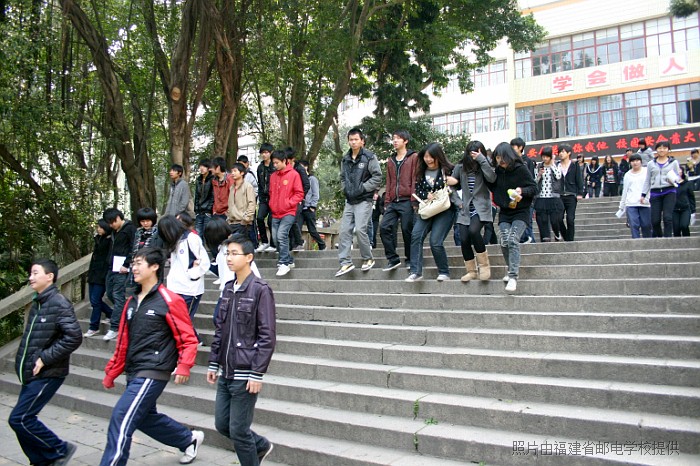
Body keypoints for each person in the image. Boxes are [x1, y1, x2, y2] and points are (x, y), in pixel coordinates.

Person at [100, 247, 203, 466]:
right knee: (144, 418)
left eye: (139, 263)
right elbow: (123, 341)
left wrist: (184, 365)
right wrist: (112, 371)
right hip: (134, 369)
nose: (134, 268)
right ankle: (187, 439)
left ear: (155, 266)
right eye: (133, 263)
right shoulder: (131, 302)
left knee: (121, 417)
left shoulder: (169, 300)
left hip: (154, 369)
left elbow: (188, 338)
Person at [207, 236, 276, 466]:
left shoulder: (260, 289)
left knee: (238, 430)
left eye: (234, 253)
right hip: (226, 370)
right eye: (227, 253)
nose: (229, 258)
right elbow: (221, 329)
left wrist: (257, 373)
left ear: (249, 257)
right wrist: (214, 362)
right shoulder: (228, 288)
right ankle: (261, 445)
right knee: (222, 425)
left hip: (245, 373)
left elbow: (267, 335)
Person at [9, 259, 83, 466]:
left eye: (35, 273)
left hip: (49, 373)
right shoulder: (39, 302)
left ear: (49, 277)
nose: (30, 278)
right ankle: (41, 461)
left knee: (19, 419)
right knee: (22, 420)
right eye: (30, 273)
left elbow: (74, 337)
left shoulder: (59, 303)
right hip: (31, 372)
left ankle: (60, 449)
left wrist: (44, 358)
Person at [487, 142, 538, 293]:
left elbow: (534, 188)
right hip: (505, 211)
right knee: (504, 240)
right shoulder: (498, 171)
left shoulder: (520, 168)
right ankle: (511, 269)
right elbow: (493, 187)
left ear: (510, 156)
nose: (501, 161)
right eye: (497, 158)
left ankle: (513, 277)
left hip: (521, 212)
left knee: (513, 239)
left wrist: (521, 190)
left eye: (503, 158)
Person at [406, 143, 459, 282]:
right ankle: (415, 272)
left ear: (438, 156)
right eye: (425, 157)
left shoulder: (448, 170)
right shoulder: (421, 171)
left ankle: (444, 272)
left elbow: (459, 185)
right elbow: (418, 190)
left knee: (435, 241)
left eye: (431, 157)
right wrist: (426, 195)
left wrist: (453, 181)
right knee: (416, 235)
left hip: (445, 209)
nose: (428, 160)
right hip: (428, 209)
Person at [446, 140, 496, 282]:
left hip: (481, 207)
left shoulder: (485, 165)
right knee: (463, 238)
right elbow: (451, 185)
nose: (474, 156)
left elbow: (492, 178)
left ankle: (484, 266)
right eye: (472, 153)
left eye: (477, 153)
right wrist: (458, 202)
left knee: (474, 231)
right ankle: (471, 271)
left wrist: (482, 159)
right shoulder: (460, 167)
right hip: (465, 208)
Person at [336, 128, 382, 277]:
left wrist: (363, 188)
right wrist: (345, 188)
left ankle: (368, 258)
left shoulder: (369, 157)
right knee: (344, 230)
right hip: (350, 200)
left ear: (362, 141)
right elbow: (343, 177)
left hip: (364, 199)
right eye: (351, 140)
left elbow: (377, 177)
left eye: (356, 139)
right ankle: (345, 262)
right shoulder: (345, 159)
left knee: (361, 229)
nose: (353, 142)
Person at [158, 215, 210, 344]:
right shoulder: (176, 241)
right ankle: (194, 341)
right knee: (179, 318)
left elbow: (204, 262)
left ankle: (191, 342)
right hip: (175, 287)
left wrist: (192, 274)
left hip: (190, 289)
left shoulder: (191, 238)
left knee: (184, 319)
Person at [380, 129, 418, 271]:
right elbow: (389, 182)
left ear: (405, 141)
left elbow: (415, 178)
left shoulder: (413, 157)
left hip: (407, 199)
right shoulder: (391, 160)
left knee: (407, 229)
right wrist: (387, 201)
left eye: (398, 138)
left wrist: (414, 199)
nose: (395, 141)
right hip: (393, 201)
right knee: (384, 227)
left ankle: (410, 259)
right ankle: (393, 259)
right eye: (394, 138)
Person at [269, 150, 305, 276]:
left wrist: (288, 203)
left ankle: (283, 263)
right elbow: (271, 192)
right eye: (273, 163)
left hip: (288, 211)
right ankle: (289, 260)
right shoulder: (273, 176)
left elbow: (299, 193)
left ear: (284, 161)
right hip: (275, 212)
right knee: (275, 239)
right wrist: (272, 204)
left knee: (281, 235)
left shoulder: (294, 174)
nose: (275, 165)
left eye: (277, 163)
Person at [103, 207, 137, 341]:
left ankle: (115, 327)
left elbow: (133, 248)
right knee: (110, 293)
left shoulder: (130, 229)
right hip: (112, 266)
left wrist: (127, 264)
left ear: (118, 218)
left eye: (112, 222)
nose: (111, 225)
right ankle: (126, 314)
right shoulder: (113, 231)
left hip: (122, 268)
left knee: (118, 295)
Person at [641, 141, 681, 238]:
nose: (662, 150)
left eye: (664, 148)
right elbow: (647, 180)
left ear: (668, 150)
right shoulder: (651, 164)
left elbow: (678, 178)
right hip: (655, 193)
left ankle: (667, 239)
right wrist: (643, 194)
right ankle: (660, 238)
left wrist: (674, 179)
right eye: (659, 148)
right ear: (656, 150)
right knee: (655, 221)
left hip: (669, 191)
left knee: (667, 217)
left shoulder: (673, 162)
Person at [85, 219, 113, 337]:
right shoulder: (98, 239)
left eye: (101, 227)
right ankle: (110, 313)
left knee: (95, 300)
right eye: (98, 227)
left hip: (102, 275)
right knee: (93, 300)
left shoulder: (110, 241)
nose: (98, 229)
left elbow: (108, 259)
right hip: (93, 273)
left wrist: (105, 274)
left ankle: (93, 327)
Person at [126, 207, 163, 290]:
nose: (145, 223)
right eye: (142, 221)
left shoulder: (158, 234)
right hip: (137, 266)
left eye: (148, 221)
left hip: (151, 267)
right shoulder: (138, 233)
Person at [534, 146, 564, 242]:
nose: (545, 159)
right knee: (542, 219)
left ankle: (557, 233)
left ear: (551, 157)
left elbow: (558, 176)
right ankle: (545, 238)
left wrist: (552, 164)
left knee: (555, 220)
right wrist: (539, 174)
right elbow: (535, 181)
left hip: (553, 196)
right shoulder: (539, 166)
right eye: (543, 156)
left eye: (547, 157)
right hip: (541, 196)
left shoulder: (557, 165)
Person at [510, 137, 537, 244]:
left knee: (527, 221)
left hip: (526, 194)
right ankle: (525, 240)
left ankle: (530, 241)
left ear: (520, 147)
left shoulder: (527, 161)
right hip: (514, 194)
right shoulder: (510, 161)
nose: (512, 148)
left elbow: (531, 180)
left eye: (514, 146)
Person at [619, 153, 651, 239]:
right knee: (634, 225)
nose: (635, 163)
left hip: (645, 203)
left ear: (641, 161)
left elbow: (650, 185)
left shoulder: (646, 171)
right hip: (631, 203)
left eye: (637, 160)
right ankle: (636, 242)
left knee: (646, 225)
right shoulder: (627, 175)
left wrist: (647, 198)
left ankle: (648, 242)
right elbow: (625, 190)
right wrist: (622, 204)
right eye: (632, 161)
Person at [557, 144, 584, 241]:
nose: (561, 154)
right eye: (559, 152)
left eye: (563, 151)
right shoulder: (557, 165)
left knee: (570, 219)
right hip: (559, 196)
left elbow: (579, 179)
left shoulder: (574, 165)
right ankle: (566, 237)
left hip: (571, 195)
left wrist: (580, 193)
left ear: (569, 153)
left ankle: (570, 240)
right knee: (558, 218)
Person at [285, 147, 310, 251]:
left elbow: (306, 185)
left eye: (287, 159)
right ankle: (293, 244)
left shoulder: (300, 169)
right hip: (288, 199)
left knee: (293, 219)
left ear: (292, 159)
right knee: (288, 221)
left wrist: (300, 197)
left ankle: (299, 242)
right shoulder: (285, 169)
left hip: (298, 199)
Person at [299, 160, 327, 250]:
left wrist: (312, 206)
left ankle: (322, 245)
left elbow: (316, 194)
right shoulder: (298, 179)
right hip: (300, 208)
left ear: (306, 167)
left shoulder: (312, 179)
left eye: (302, 167)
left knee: (312, 230)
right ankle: (299, 244)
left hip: (309, 208)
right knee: (297, 226)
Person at [255, 143, 277, 253]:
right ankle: (264, 242)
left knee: (271, 221)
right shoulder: (260, 167)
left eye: (266, 152)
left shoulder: (275, 166)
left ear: (271, 153)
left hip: (274, 198)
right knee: (259, 218)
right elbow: (260, 183)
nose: (264, 155)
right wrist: (260, 196)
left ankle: (273, 244)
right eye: (262, 153)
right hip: (264, 198)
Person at [227, 162, 257, 237]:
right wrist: (228, 218)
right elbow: (230, 204)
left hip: (243, 223)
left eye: (235, 171)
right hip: (232, 222)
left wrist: (246, 219)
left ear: (242, 173)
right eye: (232, 171)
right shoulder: (232, 188)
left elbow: (252, 204)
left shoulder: (248, 186)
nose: (232, 173)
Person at [673, 166, 696, 237]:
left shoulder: (687, 183)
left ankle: (687, 240)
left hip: (685, 208)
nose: (678, 172)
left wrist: (693, 210)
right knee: (676, 229)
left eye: (679, 170)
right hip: (674, 209)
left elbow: (691, 197)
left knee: (684, 225)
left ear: (682, 172)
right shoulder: (672, 184)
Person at [194, 158, 214, 236]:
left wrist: (209, 209)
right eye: (200, 166)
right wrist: (196, 209)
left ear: (208, 168)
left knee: (207, 234)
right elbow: (197, 195)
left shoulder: (212, 179)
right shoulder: (199, 180)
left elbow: (213, 196)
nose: (201, 168)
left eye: (204, 166)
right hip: (199, 211)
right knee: (198, 234)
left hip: (208, 212)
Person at [212, 157, 233, 221]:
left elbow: (233, 197)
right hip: (216, 213)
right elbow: (215, 197)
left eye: (212, 167)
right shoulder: (214, 180)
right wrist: (214, 210)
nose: (211, 169)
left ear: (218, 167)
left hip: (226, 214)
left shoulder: (230, 179)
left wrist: (228, 212)